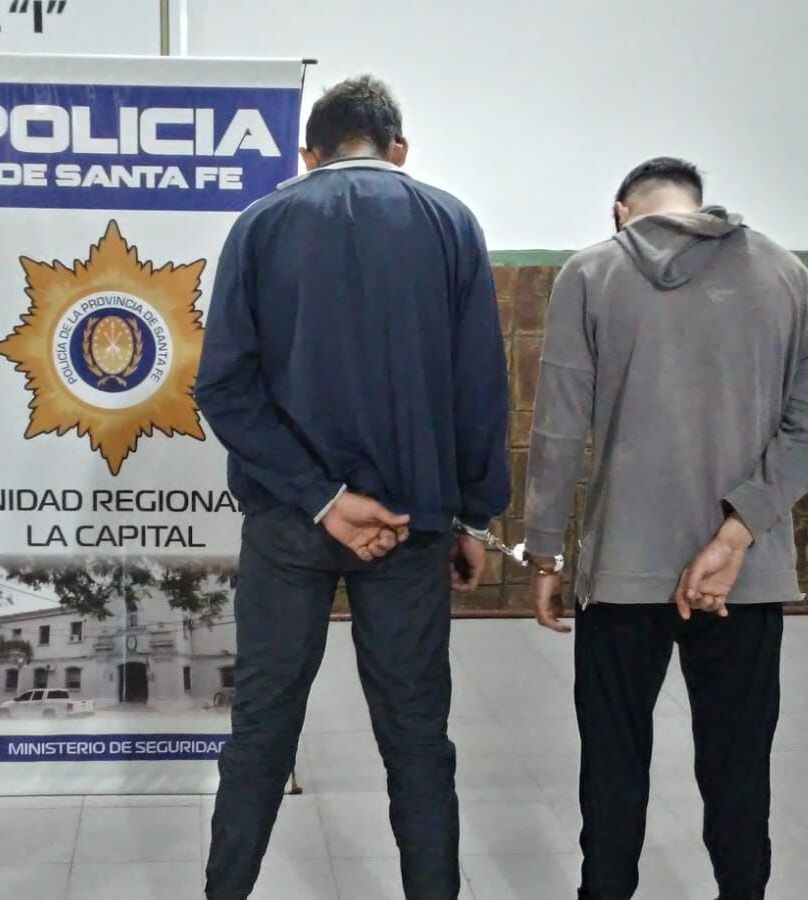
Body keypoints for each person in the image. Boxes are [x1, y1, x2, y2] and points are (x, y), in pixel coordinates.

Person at [196, 75, 510, 899]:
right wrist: (475, 516)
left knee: (261, 732)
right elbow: (481, 387)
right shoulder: (450, 223)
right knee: (417, 739)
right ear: (398, 149)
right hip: (412, 524)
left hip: (291, 523)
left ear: (309, 154)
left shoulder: (261, 223)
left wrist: (324, 499)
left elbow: (223, 389)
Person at [523, 158, 808, 898]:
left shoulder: (590, 274)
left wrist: (545, 553)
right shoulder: (788, 277)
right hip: (744, 575)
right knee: (738, 767)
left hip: (622, 570)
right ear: (700, 208)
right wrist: (734, 535)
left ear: (620, 210)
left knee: (613, 764)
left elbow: (558, 432)